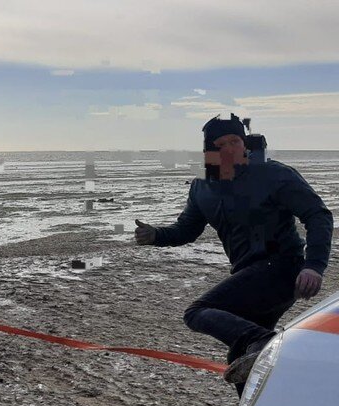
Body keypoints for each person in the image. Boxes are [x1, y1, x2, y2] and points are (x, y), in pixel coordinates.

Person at [135, 114, 333, 389]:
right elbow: (187, 229)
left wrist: (314, 265)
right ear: (209, 150)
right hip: (249, 274)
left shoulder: (273, 174)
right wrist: (156, 235)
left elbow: (318, 215)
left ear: (245, 143)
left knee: (198, 311)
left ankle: (265, 342)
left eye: (235, 141)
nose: (229, 148)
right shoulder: (203, 186)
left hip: (283, 268)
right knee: (240, 360)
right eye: (221, 143)